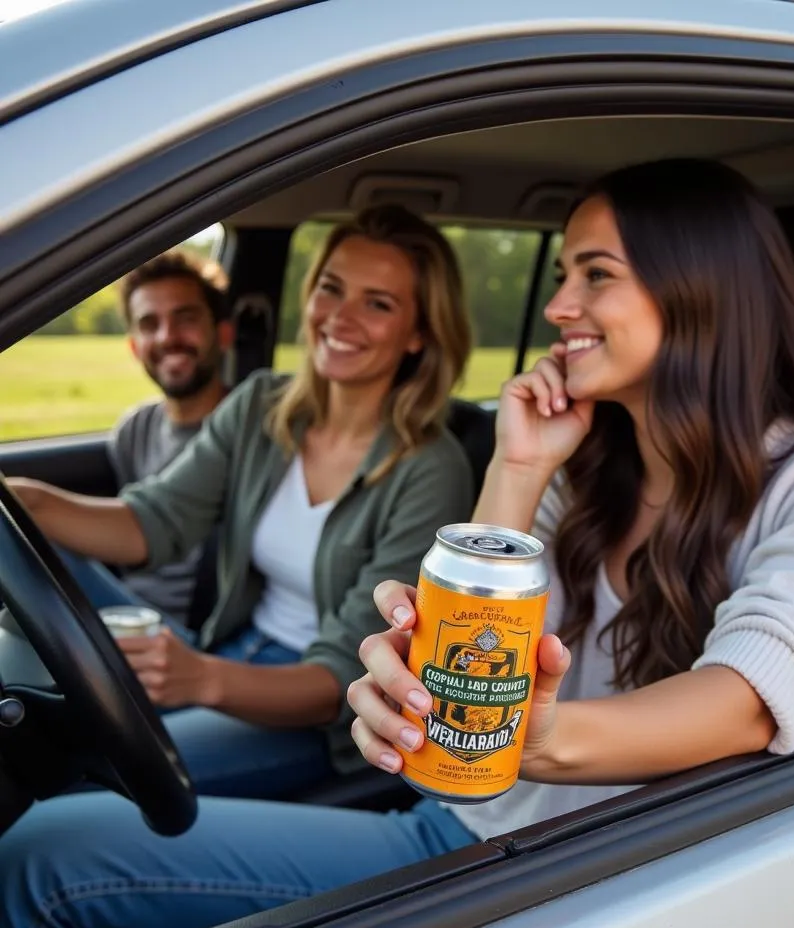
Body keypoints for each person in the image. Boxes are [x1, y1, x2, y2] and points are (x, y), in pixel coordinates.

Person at [0, 159, 794, 928]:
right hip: (473, 824)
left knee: (45, 856)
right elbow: (465, 636)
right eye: (563, 274)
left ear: (704, 297)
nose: (558, 307)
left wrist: (497, 737)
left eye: (594, 276)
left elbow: (746, 699)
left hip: (583, 873)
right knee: (55, 833)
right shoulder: (593, 467)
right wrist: (519, 468)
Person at [5, 204, 474, 800]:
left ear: (419, 334)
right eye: (331, 289)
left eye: (377, 304)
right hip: (229, 647)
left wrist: (201, 679)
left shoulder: (430, 469)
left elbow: (341, 680)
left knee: (94, 776)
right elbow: (155, 520)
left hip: (311, 713)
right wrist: (30, 502)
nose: (340, 317)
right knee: (37, 550)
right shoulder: (261, 406)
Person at [58, 249, 234, 632]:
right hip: (124, 613)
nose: (168, 337)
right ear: (135, 346)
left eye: (185, 319)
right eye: (149, 324)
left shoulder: (249, 433)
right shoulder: (133, 429)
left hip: (194, 633)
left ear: (223, 333)